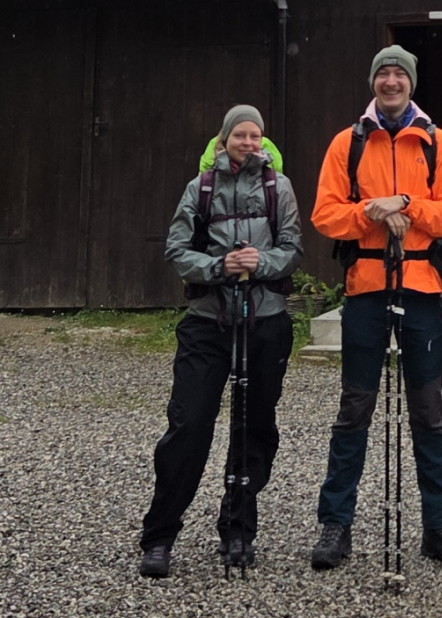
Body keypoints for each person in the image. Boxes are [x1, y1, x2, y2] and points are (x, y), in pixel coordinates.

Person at [308, 44, 442, 571]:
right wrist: (371, 213)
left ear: (412, 82)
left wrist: (405, 205)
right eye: (382, 71)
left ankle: (440, 526)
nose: (391, 80)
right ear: (372, 81)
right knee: (354, 408)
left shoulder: (437, 141)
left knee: (428, 411)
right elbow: (325, 216)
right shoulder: (348, 142)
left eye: (399, 72)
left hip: (422, 285)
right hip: (365, 286)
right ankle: (336, 526)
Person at [138, 105, 303, 578]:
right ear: (224, 138)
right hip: (207, 322)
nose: (249, 143)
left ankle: (238, 529)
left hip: (265, 321)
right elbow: (176, 249)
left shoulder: (279, 188)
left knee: (254, 428)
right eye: (240, 135)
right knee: (188, 426)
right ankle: (160, 536)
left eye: (256, 136)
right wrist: (218, 267)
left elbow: (292, 249)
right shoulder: (200, 188)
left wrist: (261, 262)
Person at [199, 133, 283, 174]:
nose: (247, 143)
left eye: (254, 136)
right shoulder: (215, 143)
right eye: (238, 135)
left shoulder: (266, 143)